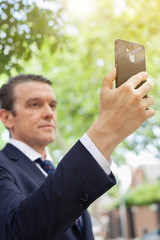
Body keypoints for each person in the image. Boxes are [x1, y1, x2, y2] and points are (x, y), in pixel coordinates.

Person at [0, 68, 154, 240]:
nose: (49, 113)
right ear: (7, 118)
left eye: (52, 105)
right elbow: (14, 232)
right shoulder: (3, 166)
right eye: (34, 104)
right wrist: (106, 130)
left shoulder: (55, 171)